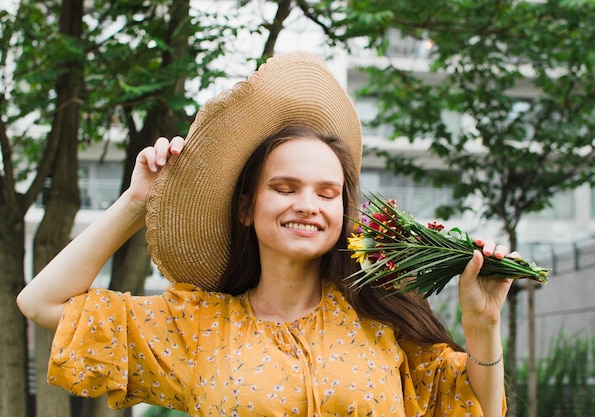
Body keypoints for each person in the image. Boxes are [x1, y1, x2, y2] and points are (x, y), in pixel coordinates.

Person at [17, 52, 514, 417]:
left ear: (343, 210)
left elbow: (477, 408)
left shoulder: (380, 317)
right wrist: (136, 203)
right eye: (284, 187)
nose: (307, 205)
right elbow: (42, 303)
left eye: (326, 192)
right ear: (245, 208)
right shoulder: (196, 327)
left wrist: (482, 321)